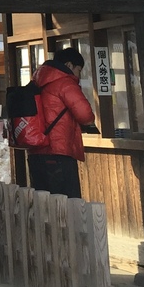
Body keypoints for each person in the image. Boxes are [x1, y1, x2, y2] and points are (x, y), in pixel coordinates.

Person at [26, 47, 96, 199]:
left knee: (43, 202)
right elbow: (86, 115)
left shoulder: (37, 81)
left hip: (36, 152)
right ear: (69, 65)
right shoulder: (65, 82)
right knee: (67, 202)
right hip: (59, 151)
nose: (79, 75)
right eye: (79, 70)